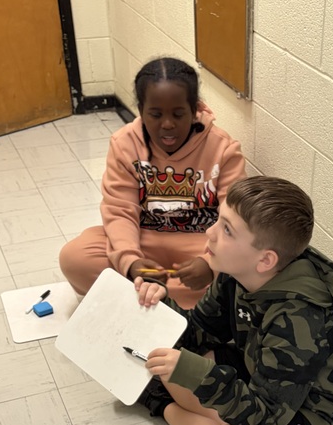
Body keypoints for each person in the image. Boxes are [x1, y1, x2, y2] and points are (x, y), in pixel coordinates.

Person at [134, 175, 333, 425]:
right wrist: (162, 307)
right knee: (177, 362)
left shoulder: (299, 318)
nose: (210, 233)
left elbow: (267, 415)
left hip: (320, 413)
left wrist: (198, 378)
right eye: (218, 220)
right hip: (264, 373)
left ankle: (161, 404)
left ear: (266, 260)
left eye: (227, 230)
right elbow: (199, 333)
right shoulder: (235, 271)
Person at [59, 57, 246, 309]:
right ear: (141, 110)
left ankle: (148, 299)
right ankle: (171, 300)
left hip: (200, 250)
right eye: (155, 114)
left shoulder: (224, 149)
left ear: (195, 109)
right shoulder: (124, 143)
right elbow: (119, 211)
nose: (167, 124)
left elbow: (234, 219)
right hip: (143, 246)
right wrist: (131, 262)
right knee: (76, 258)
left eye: (178, 114)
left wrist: (210, 264)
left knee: (245, 268)